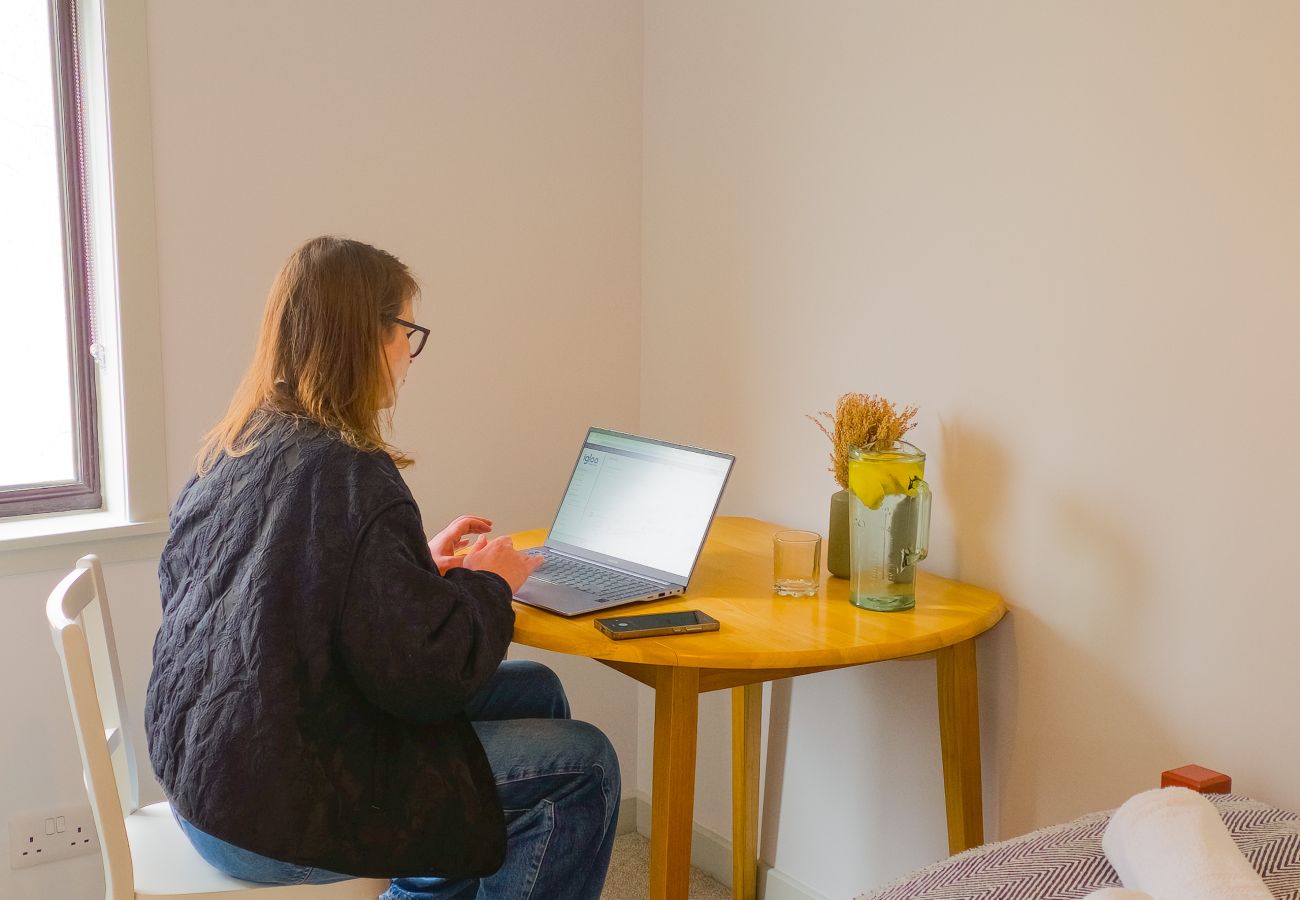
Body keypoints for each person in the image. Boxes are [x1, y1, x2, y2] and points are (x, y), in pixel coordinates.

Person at [144, 236, 621, 900]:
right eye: (407, 332)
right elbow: (425, 678)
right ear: (365, 336)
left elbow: (288, 588)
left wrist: (411, 563)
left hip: (212, 776)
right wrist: (493, 583)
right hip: (274, 814)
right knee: (586, 765)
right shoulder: (350, 471)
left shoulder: (241, 443)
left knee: (537, 689)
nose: (408, 354)